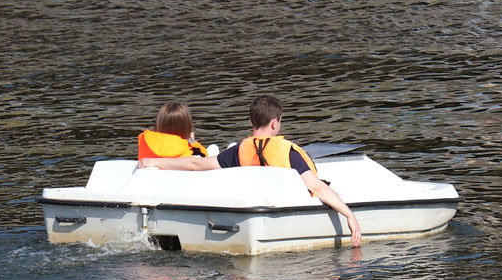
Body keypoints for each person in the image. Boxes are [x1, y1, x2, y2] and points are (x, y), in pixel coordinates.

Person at [136, 96, 362, 247]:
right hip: (274, 216)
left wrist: (156, 163)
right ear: (275, 123)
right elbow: (316, 187)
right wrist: (349, 215)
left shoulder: (238, 151)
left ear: (250, 121)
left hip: (242, 217)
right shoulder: (288, 153)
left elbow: (196, 165)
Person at [138, 102, 208, 160]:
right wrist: (191, 140)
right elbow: (204, 156)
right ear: (186, 126)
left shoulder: (145, 139)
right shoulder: (188, 150)